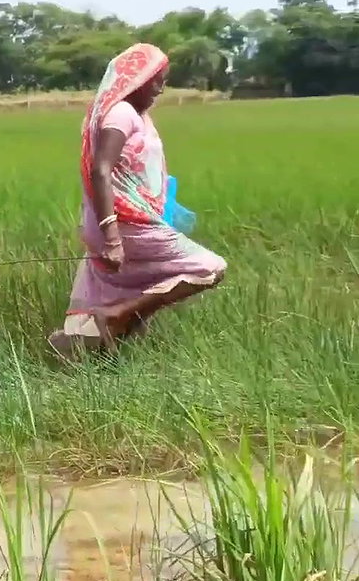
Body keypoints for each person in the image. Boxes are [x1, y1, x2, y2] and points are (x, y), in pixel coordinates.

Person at [50, 43, 227, 358]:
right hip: (125, 226)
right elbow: (100, 171)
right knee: (209, 269)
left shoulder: (129, 114)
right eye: (156, 79)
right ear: (137, 80)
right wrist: (112, 236)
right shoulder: (120, 114)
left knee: (124, 289)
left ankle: (85, 347)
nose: (161, 87)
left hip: (115, 223)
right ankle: (117, 316)